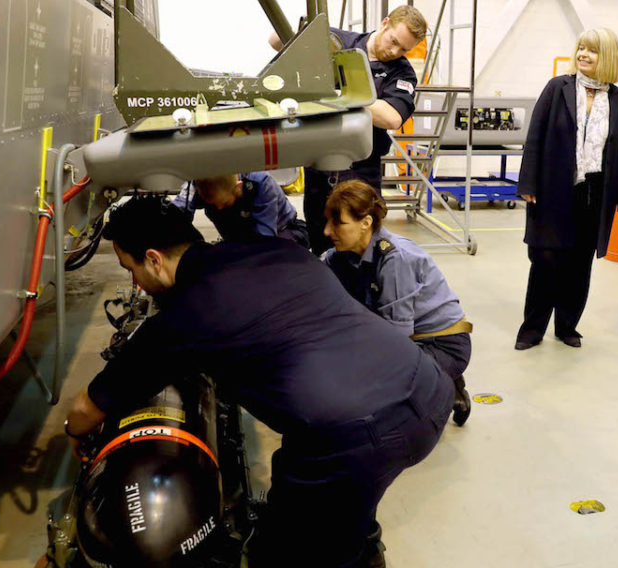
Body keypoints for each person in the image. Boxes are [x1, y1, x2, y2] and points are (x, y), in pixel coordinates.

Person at [64, 196, 454, 567]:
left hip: (355, 437)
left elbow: (88, 407)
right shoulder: (274, 250)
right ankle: (359, 539)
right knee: (323, 497)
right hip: (428, 388)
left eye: (131, 270)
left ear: (153, 260)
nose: (136, 281)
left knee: (283, 553)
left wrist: (75, 432)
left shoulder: (183, 318)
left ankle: (349, 553)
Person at [270, 5, 427, 255]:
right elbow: (275, 41)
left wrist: (341, 95)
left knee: (360, 248)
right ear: (385, 23)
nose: (394, 51)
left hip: (361, 170)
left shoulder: (401, 72)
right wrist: (306, 30)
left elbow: (392, 117)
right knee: (321, 238)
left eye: (404, 49)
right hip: (319, 165)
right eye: (393, 41)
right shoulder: (338, 41)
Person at [514, 28, 618, 351]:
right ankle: (532, 328)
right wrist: (527, 182)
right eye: (581, 48)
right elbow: (535, 136)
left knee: (580, 263)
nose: (583, 54)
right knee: (546, 259)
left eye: (592, 50)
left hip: (595, 191)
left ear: (606, 57)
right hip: (553, 186)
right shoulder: (558, 88)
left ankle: (567, 326)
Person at [321, 180, 472, 427]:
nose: (328, 231)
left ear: (366, 223)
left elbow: (397, 343)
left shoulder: (395, 260)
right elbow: (316, 274)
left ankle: (442, 389)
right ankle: (438, 379)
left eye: (338, 223)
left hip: (444, 344)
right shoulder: (345, 253)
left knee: (372, 384)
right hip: (416, 340)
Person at [172, 171, 309, 248]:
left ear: (238, 188)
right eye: (212, 205)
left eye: (224, 203)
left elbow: (264, 242)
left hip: (283, 232)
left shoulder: (261, 184)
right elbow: (177, 216)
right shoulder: (197, 185)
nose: (219, 208)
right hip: (237, 239)